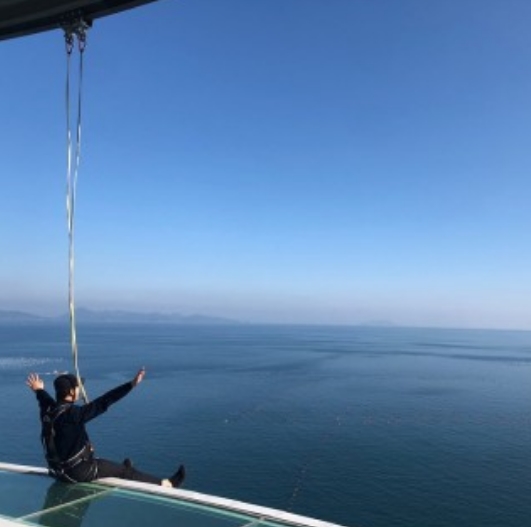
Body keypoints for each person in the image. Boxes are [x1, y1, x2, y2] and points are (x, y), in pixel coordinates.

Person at [26, 368, 185, 487]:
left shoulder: (48, 410)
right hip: (77, 473)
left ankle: (117, 469)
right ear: (71, 392)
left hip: (56, 471)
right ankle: (166, 484)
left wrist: (38, 389)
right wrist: (131, 385)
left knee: (114, 467)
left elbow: (43, 397)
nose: (80, 389)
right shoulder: (74, 414)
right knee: (125, 471)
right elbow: (105, 401)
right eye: (78, 387)